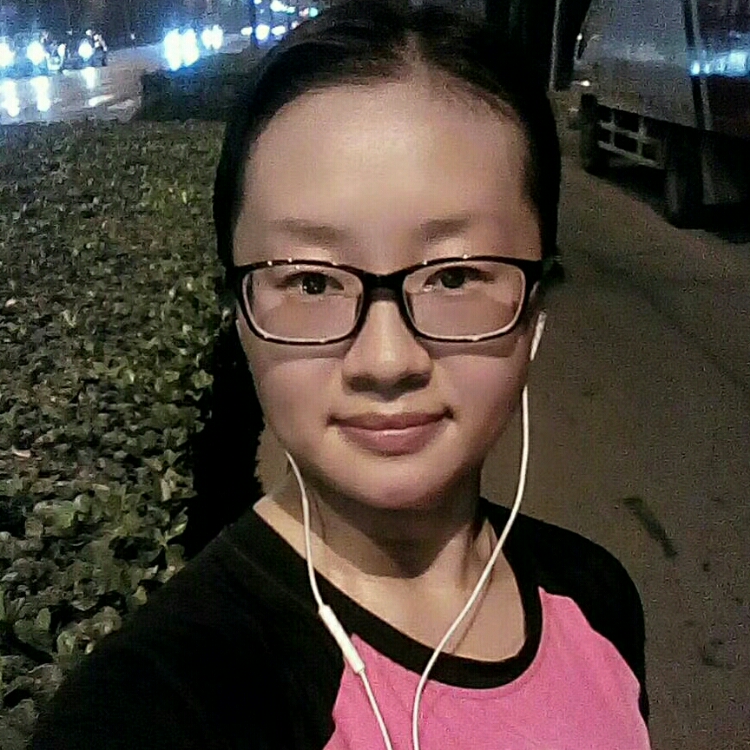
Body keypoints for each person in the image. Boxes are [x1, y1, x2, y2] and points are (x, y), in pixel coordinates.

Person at [32, 1, 651, 748]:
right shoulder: (161, 701)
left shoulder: (597, 601)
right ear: (239, 315)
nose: (387, 362)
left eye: (455, 277)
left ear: (535, 309)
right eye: (312, 282)